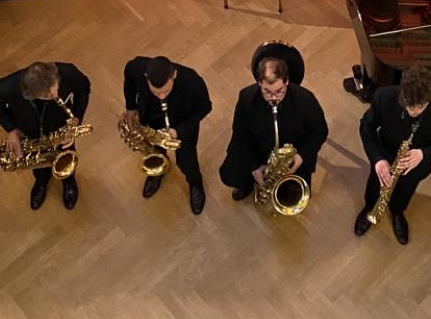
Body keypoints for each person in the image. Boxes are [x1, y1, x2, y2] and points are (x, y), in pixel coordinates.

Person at [354, 64, 431, 245]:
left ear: (430, 99)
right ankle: (369, 207)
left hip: (414, 166)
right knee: (374, 185)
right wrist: (377, 159)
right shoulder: (384, 96)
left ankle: (397, 212)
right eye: (408, 104)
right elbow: (366, 127)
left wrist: (423, 154)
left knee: (405, 191)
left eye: (420, 106)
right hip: (385, 152)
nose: (413, 110)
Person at [0, 60, 90, 210]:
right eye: (48, 95)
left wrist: (76, 120)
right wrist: (11, 130)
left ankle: (69, 181)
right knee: (38, 163)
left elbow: (84, 89)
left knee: (67, 156)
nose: (56, 95)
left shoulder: (68, 72)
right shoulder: (8, 87)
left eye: (55, 87)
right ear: (30, 95)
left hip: (62, 128)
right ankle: (41, 181)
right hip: (30, 132)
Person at [219, 56, 328, 202]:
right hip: (257, 152)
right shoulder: (246, 97)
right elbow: (240, 134)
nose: (273, 98)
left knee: (293, 199)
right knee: (230, 175)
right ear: (259, 82)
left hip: (291, 159)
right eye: (266, 91)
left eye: (279, 91)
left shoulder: (305, 99)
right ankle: (248, 184)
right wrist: (254, 167)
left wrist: (301, 157)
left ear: (286, 81)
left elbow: (320, 132)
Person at [123, 55, 212, 215]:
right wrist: (130, 106)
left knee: (187, 161)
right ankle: (158, 171)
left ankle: (195, 184)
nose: (162, 97)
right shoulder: (137, 67)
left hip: (182, 124)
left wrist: (179, 131)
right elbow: (128, 74)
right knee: (155, 153)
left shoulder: (192, 80)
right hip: (152, 123)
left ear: (174, 75)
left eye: (165, 91)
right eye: (156, 93)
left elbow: (205, 107)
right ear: (146, 77)